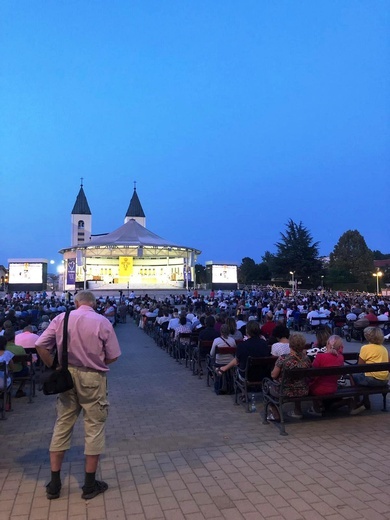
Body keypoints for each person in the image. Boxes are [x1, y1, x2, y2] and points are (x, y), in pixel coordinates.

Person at [35, 290, 121, 501]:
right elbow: (114, 356)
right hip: (93, 378)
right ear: (94, 303)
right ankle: (89, 485)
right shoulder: (102, 321)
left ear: (75, 302)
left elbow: (40, 345)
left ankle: (54, 484)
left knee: (62, 424)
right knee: (94, 428)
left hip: (66, 377)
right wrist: (96, 363)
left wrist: (54, 366)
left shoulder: (61, 318)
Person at [270, 333, 311, 419]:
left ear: (290, 345)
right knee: (297, 382)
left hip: (285, 391)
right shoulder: (306, 359)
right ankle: (297, 410)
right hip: (302, 390)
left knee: (268, 385)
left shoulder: (283, 359)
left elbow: (273, 375)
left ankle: (275, 412)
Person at [350, 327, 389, 412]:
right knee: (364, 375)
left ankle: (357, 401)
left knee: (353, 375)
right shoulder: (384, 348)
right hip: (384, 379)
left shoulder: (365, 348)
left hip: (372, 380)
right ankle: (365, 400)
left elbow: (360, 366)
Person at [308, 335, 344, 415]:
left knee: (309, 383)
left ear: (327, 343)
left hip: (318, 389)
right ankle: (321, 405)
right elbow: (338, 376)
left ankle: (317, 407)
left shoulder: (320, 356)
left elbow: (312, 375)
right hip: (333, 388)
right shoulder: (340, 357)